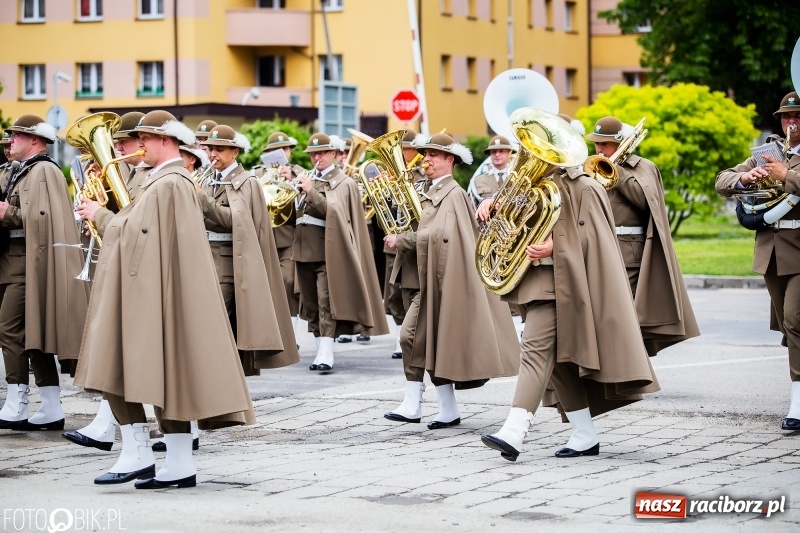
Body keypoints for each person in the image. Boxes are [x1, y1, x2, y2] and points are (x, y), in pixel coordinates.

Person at [73, 110, 255, 489]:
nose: (138, 146)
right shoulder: (167, 180)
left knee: (139, 367)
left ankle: (143, 455)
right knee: (166, 373)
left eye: (144, 139)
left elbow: (136, 232)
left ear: (165, 140)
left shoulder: (169, 181)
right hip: (156, 286)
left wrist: (100, 214)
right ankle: (177, 464)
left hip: (151, 289)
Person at [476, 124, 659, 461]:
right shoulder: (530, 185)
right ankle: (584, 434)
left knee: (532, 352)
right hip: (533, 282)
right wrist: (493, 207)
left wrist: (554, 247)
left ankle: (514, 432)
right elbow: (515, 224)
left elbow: (597, 240)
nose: (532, 153)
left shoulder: (585, 187)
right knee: (558, 364)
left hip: (564, 286)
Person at [384, 133, 519, 429]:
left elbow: (441, 236)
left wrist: (404, 239)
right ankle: (447, 409)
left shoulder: (454, 193)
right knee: (432, 341)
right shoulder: (426, 188)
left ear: (450, 160)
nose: (426, 159)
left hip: (438, 279)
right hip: (418, 275)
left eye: (433, 155)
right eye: (425, 154)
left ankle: (412, 402)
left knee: (410, 336)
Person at [63, 111, 153, 451]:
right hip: (119, 262)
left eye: (123, 142)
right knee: (120, 351)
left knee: (137, 351)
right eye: (115, 142)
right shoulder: (128, 172)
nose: (117, 147)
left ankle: (182, 432)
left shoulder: (145, 176)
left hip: (138, 268)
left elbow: (131, 222)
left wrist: (100, 211)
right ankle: (108, 426)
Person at [716, 91, 800, 431]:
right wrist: (744, 178)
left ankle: (797, 401)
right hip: (771, 251)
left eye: (797, 117)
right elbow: (722, 181)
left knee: (795, 320)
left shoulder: (784, 161)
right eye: (785, 117)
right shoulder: (768, 152)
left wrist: (785, 175)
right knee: (788, 328)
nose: (790, 123)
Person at [0, 115, 89, 432]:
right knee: (31, 335)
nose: (10, 141)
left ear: (34, 139)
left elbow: (40, 221)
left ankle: (16, 400)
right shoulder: (21, 171)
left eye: (15, 136)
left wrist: (5, 212)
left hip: (28, 262)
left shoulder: (43, 171)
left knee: (10, 330)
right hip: (13, 260)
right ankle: (50, 405)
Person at [586, 116, 699, 356]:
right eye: (597, 143)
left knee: (625, 316)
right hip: (597, 247)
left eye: (604, 144)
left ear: (620, 143)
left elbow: (646, 200)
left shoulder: (642, 166)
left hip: (629, 251)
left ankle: (630, 369)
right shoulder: (591, 165)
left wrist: (617, 174)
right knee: (601, 313)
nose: (599, 148)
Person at [196, 124, 299, 378]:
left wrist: (202, 199)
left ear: (235, 152)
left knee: (219, 326)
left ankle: (223, 380)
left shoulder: (246, 181)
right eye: (211, 149)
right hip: (208, 258)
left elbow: (237, 221)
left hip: (230, 264)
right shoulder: (210, 179)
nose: (213, 155)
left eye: (219, 149)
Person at [294, 132, 388, 372]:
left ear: (334, 154)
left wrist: (311, 191)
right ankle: (320, 349)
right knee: (312, 304)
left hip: (329, 251)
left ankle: (326, 353)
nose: (317, 158)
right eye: (313, 154)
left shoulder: (343, 182)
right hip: (304, 249)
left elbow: (333, 212)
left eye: (322, 153)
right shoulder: (306, 178)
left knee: (327, 302)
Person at [254, 131, 304, 331]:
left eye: (285, 149)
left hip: (289, 237)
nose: (282, 153)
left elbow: (303, 205)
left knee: (288, 281)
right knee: (265, 285)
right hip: (264, 239)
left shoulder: (299, 173)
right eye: (277, 149)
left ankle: (289, 331)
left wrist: (290, 180)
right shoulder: (257, 174)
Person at [383, 130, 425, 359]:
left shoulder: (421, 176)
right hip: (393, 239)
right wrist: (386, 191)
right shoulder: (389, 175)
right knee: (393, 294)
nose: (402, 153)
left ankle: (407, 338)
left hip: (413, 240)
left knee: (412, 291)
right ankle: (401, 335)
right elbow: (384, 210)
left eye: (406, 148)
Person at [467, 135, 516, 208]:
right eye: (493, 152)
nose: (497, 155)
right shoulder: (477, 180)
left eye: (501, 151)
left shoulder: (517, 178)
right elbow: (471, 209)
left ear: (509, 153)